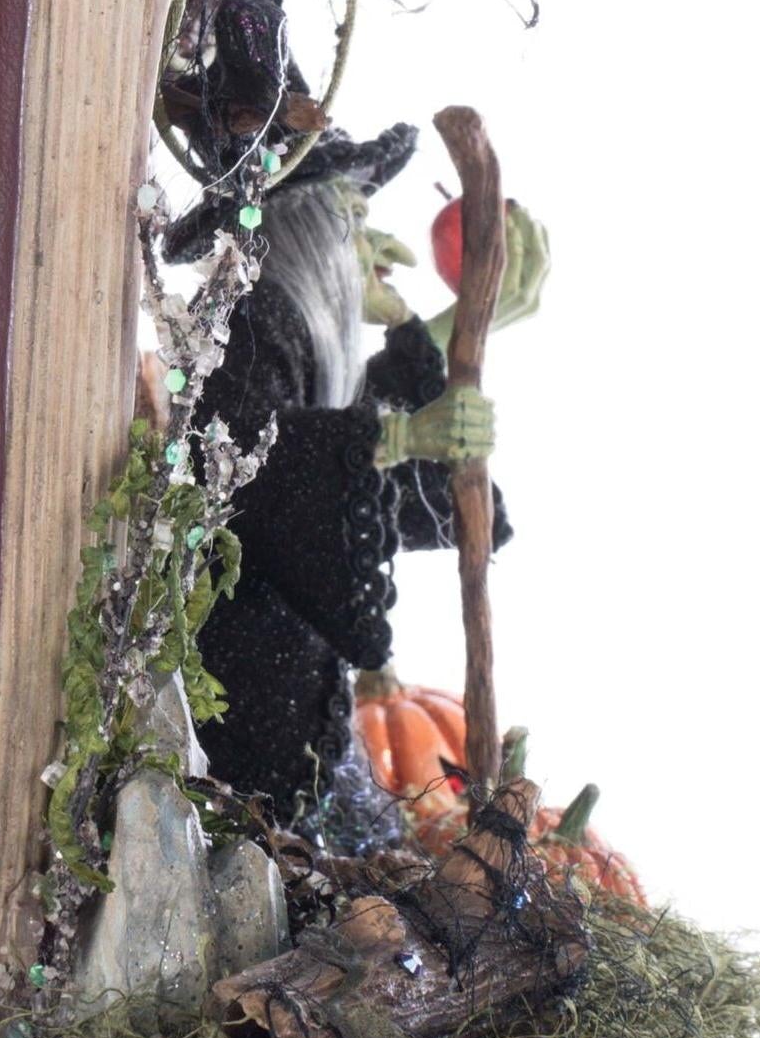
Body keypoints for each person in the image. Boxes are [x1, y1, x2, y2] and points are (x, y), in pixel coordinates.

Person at [162, 122, 548, 828]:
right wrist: (405, 435)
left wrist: (452, 327)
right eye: (360, 221)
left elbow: (347, 447)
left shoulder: (290, 341)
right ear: (310, 234)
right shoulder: (251, 325)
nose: (393, 249)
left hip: (279, 756)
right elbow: (258, 466)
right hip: (226, 752)